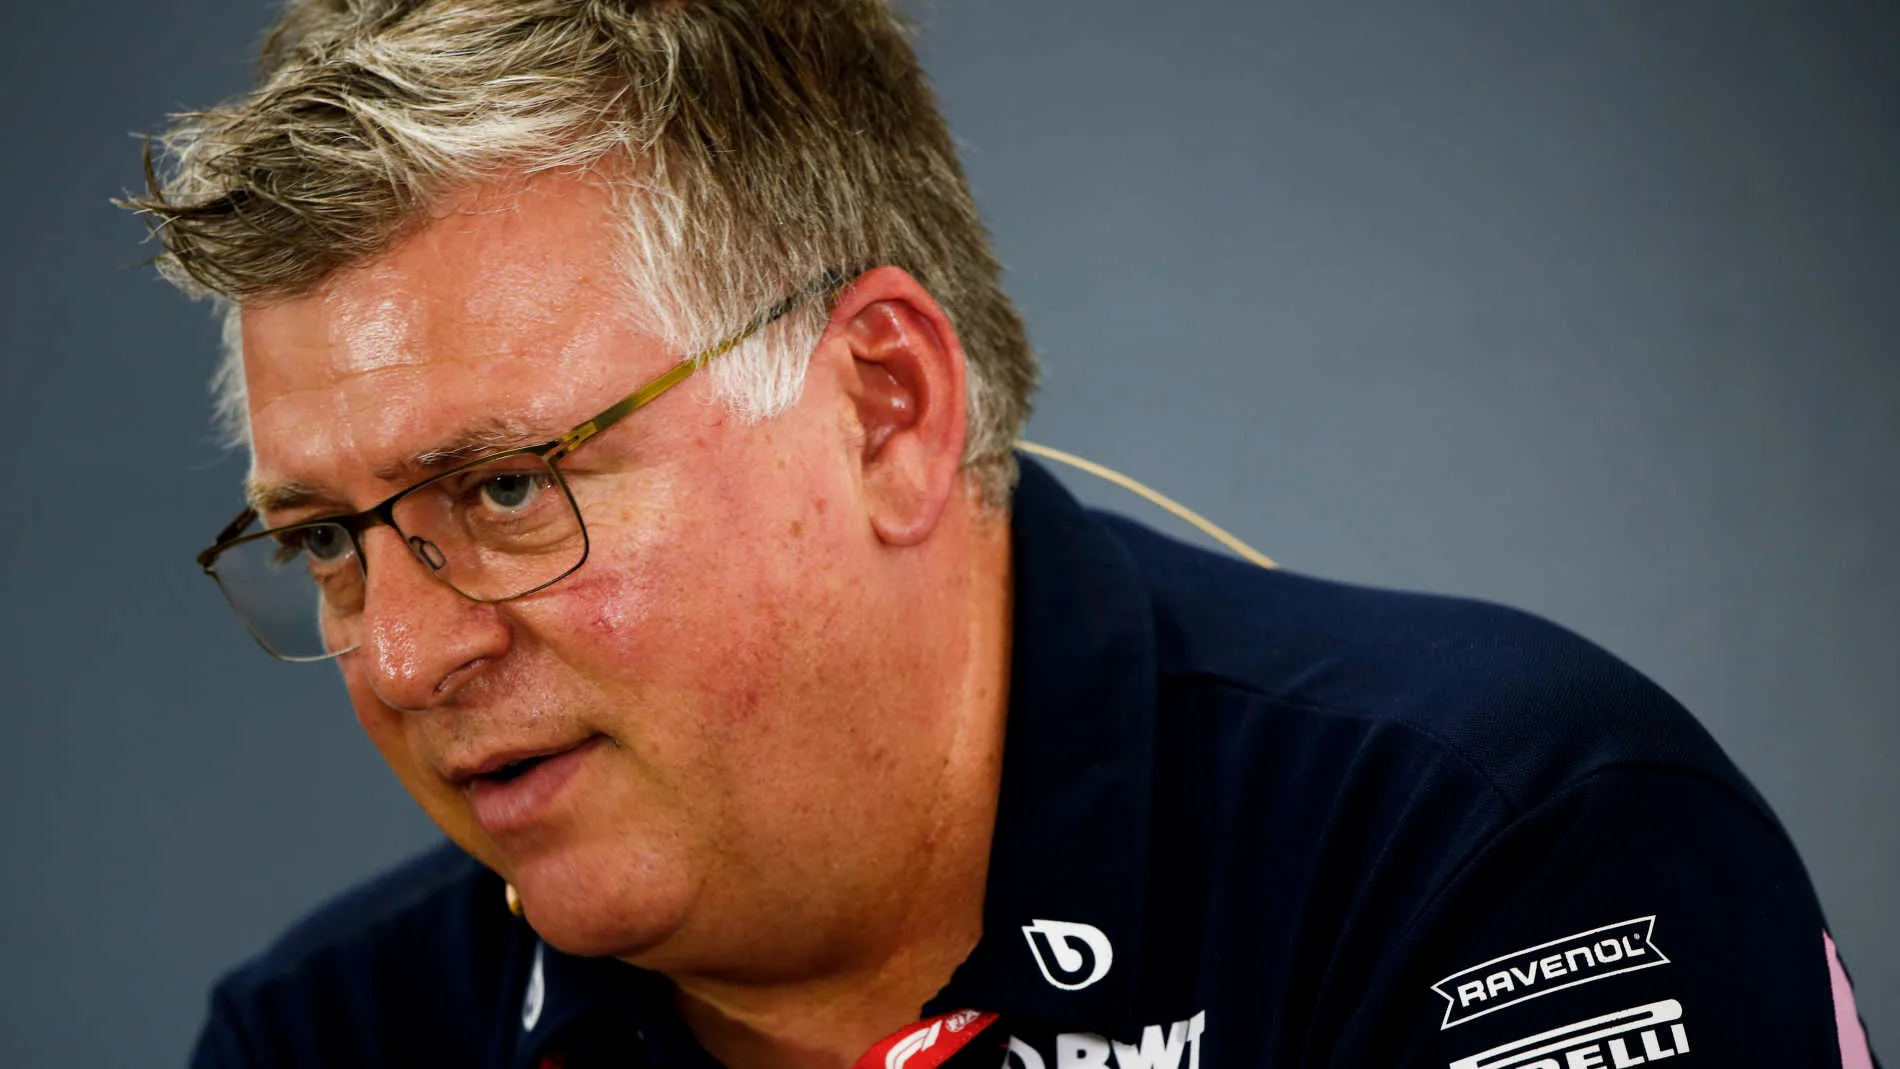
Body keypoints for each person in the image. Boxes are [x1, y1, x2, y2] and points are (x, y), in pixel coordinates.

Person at [127, 2, 1879, 1067]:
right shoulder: (325, 1036)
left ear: (884, 409)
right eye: (330, 543)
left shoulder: (1487, 857)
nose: (408, 654)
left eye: (506, 492)